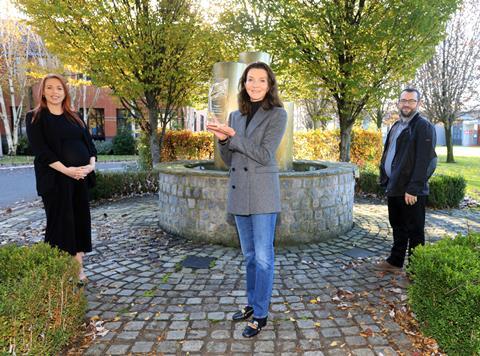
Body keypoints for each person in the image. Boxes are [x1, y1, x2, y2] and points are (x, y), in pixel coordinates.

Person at [207, 62, 287, 337]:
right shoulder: (234, 115)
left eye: (261, 80)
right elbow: (230, 159)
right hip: (240, 192)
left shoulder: (278, 114)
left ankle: (261, 315)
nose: (255, 84)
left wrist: (234, 137)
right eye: (250, 79)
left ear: (269, 85)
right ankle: (252, 304)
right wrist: (222, 140)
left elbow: (265, 155)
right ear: (243, 83)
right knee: (250, 256)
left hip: (263, 195)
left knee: (264, 258)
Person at [26, 73, 97, 283]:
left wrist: (90, 166)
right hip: (56, 180)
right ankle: (58, 270)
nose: (54, 92)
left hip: (80, 178)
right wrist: (67, 170)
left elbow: (90, 145)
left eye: (59, 88)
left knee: (79, 222)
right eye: (49, 87)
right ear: (43, 91)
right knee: (59, 223)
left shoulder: (75, 116)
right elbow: (41, 151)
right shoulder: (35, 117)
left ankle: (78, 269)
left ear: (64, 91)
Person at [374, 88, 437, 272]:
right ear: (398, 103)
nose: (406, 104)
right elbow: (390, 153)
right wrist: (385, 177)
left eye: (411, 100)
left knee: (415, 231)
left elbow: (424, 161)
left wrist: (414, 188)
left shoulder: (423, 126)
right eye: (403, 100)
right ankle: (395, 261)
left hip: (410, 190)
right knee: (398, 226)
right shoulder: (396, 126)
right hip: (394, 186)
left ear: (419, 103)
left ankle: (416, 271)